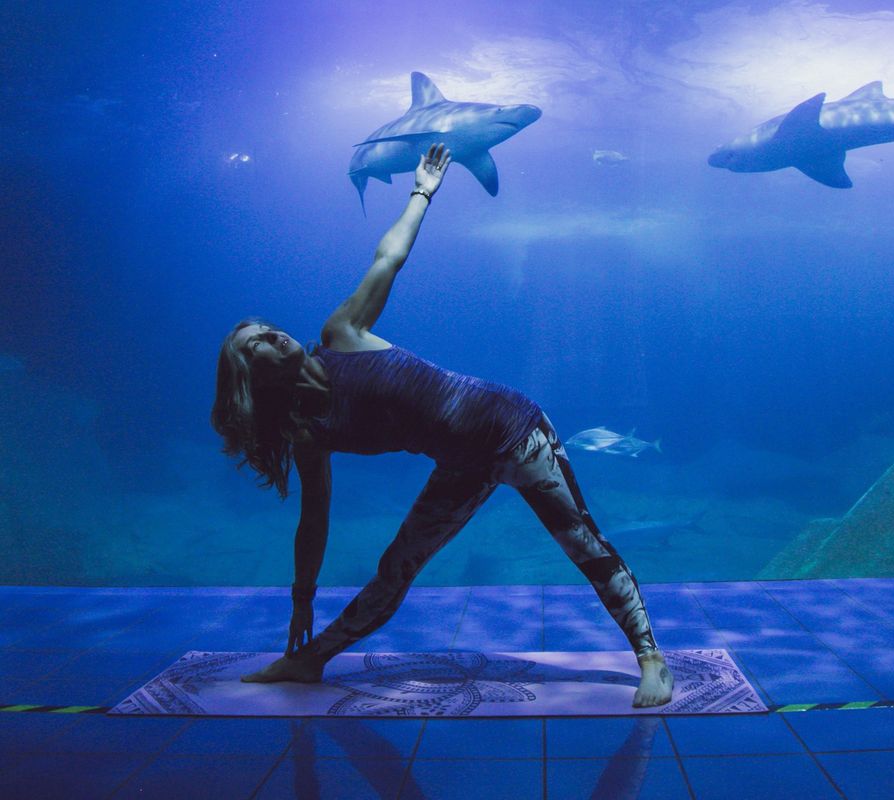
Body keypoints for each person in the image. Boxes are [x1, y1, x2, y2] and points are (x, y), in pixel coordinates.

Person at [210, 144, 673, 707]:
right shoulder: (308, 429)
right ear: (250, 377)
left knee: (580, 541)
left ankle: (651, 660)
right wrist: (302, 594)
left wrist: (421, 191)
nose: (268, 334)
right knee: (394, 569)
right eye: (252, 343)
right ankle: (307, 662)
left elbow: (388, 259)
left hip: (515, 429)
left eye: (264, 327)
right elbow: (314, 518)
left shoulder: (341, 336)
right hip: (462, 464)